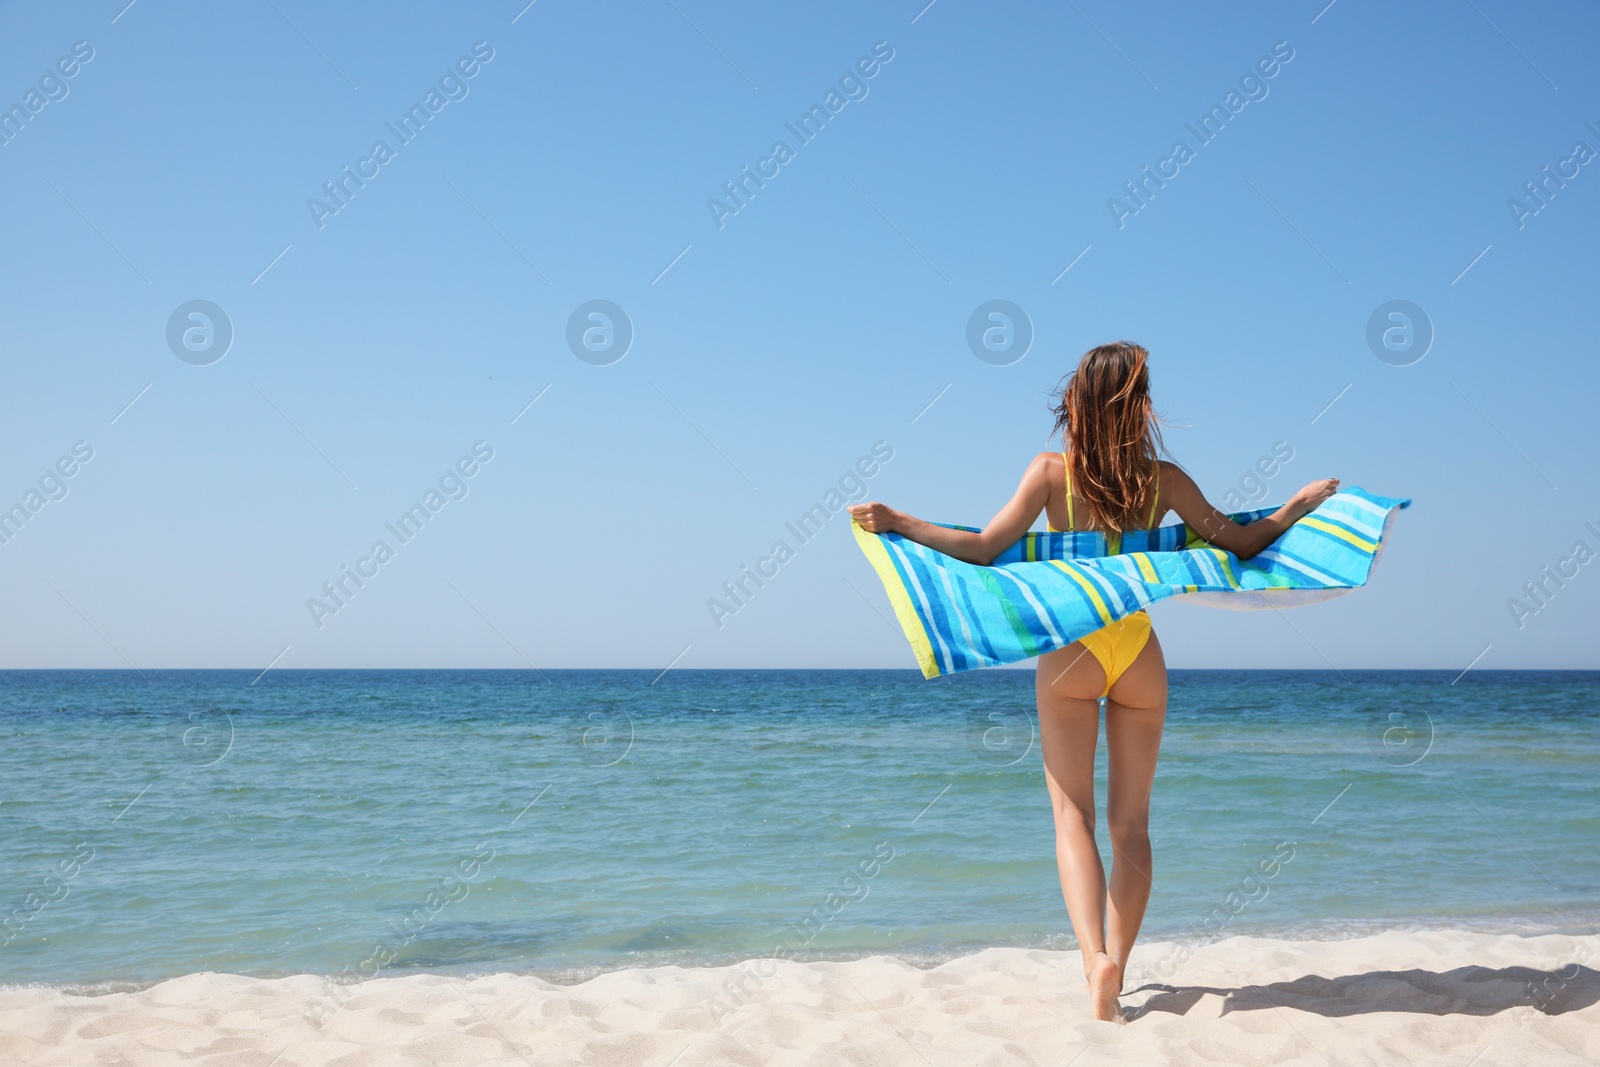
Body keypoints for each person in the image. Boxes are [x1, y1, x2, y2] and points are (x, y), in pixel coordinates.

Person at [847, 341, 1339, 1022]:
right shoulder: (1162, 479)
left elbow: (985, 549)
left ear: (1076, 401)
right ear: (1138, 407)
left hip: (1072, 647)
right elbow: (1241, 543)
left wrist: (899, 520)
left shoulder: (1051, 473)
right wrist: (1294, 507)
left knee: (1071, 814)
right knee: (1130, 822)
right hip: (1136, 646)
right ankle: (1121, 960)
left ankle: (1093, 962)